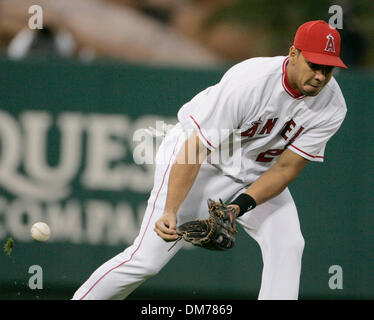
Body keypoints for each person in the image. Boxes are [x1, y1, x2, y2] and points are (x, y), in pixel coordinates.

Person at [72, 20, 348, 300]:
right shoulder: (250, 82)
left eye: (328, 68)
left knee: (288, 244)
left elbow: (285, 169)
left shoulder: (332, 105)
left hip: (256, 173)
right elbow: (196, 147)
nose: (321, 76)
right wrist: (171, 211)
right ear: (293, 54)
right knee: (145, 261)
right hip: (203, 162)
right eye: (315, 65)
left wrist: (237, 208)